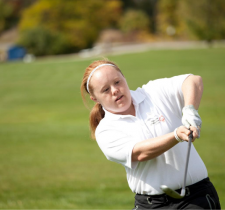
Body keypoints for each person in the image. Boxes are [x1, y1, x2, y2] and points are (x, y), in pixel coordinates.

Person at [80, 59, 221, 209]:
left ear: (124, 78)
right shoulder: (105, 130)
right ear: (95, 98)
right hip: (151, 205)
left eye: (117, 82)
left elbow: (193, 81)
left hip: (196, 199)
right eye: (105, 90)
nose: (115, 90)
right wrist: (175, 136)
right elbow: (140, 153)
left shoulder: (152, 92)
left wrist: (190, 109)